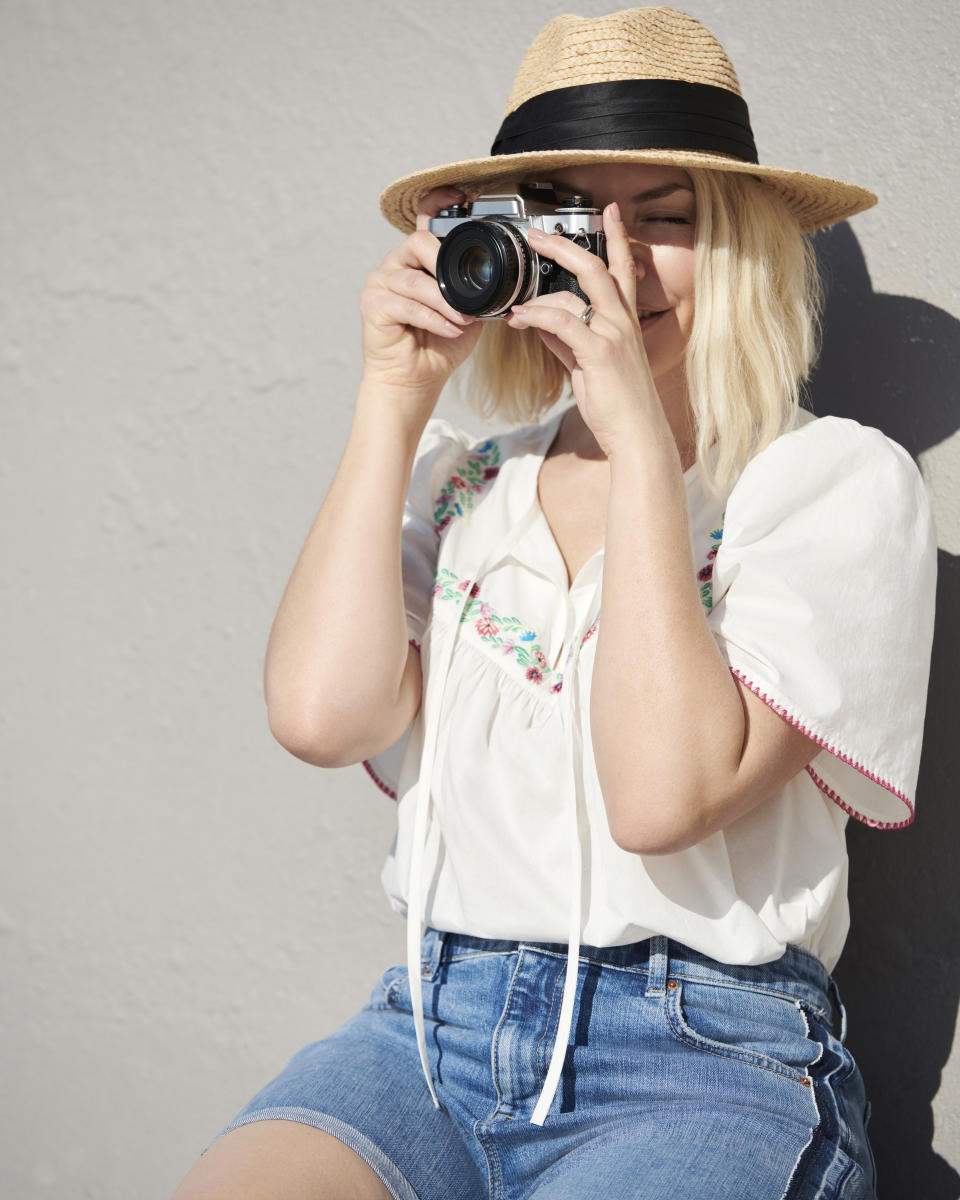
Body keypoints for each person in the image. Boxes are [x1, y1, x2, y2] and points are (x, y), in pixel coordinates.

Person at [172, 8, 937, 1199]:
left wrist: (637, 439)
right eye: (572, 222)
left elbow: (660, 795)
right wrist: (395, 398)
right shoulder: (471, 478)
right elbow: (324, 717)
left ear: (739, 246)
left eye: (668, 219)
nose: (614, 265)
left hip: (705, 1058)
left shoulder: (831, 486)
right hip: (427, 1031)